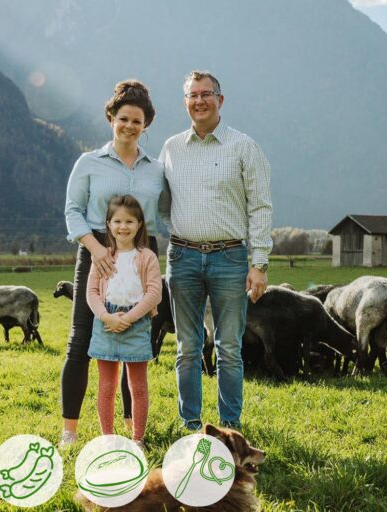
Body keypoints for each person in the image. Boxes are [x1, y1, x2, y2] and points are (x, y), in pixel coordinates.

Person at [159, 70, 273, 431]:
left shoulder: (243, 147)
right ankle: (190, 425)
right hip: (183, 257)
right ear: (185, 102)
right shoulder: (171, 148)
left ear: (220, 100)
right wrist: (181, 229)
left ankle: (229, 427)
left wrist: (259, 263)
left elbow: (260, 206)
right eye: (193, 95)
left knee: (228, 348)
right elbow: (163, 203)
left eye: (206, 94)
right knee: (188, 347)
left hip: (230, 257)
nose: (199, 101)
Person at [61, 80, 164, 447]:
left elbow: (166, 215)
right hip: (97, 251)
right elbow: (72, 210)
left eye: (137, 120)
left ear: (146, 125)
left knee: (133, 337)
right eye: (123, 118)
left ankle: (131, 429)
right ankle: (70, 431)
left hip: (142, 254)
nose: (129, 126)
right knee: (81, 339)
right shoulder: (89, 162)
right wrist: (95, 248)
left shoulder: (157, 169)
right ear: (111, 118)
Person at [86, 195, 162, 447]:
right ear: (108, 224)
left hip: (136, 324)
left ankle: (137, 439)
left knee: (138, 387)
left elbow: (154, 293)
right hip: (105, 323)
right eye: (117, 221)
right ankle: (107, 438)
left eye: (130, 221)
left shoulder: (147, 257)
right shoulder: (103, 257)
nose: (123, 226)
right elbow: (92, 292)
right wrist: (106, 316)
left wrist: (128, 318)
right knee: (106, 387)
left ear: (139, 224)